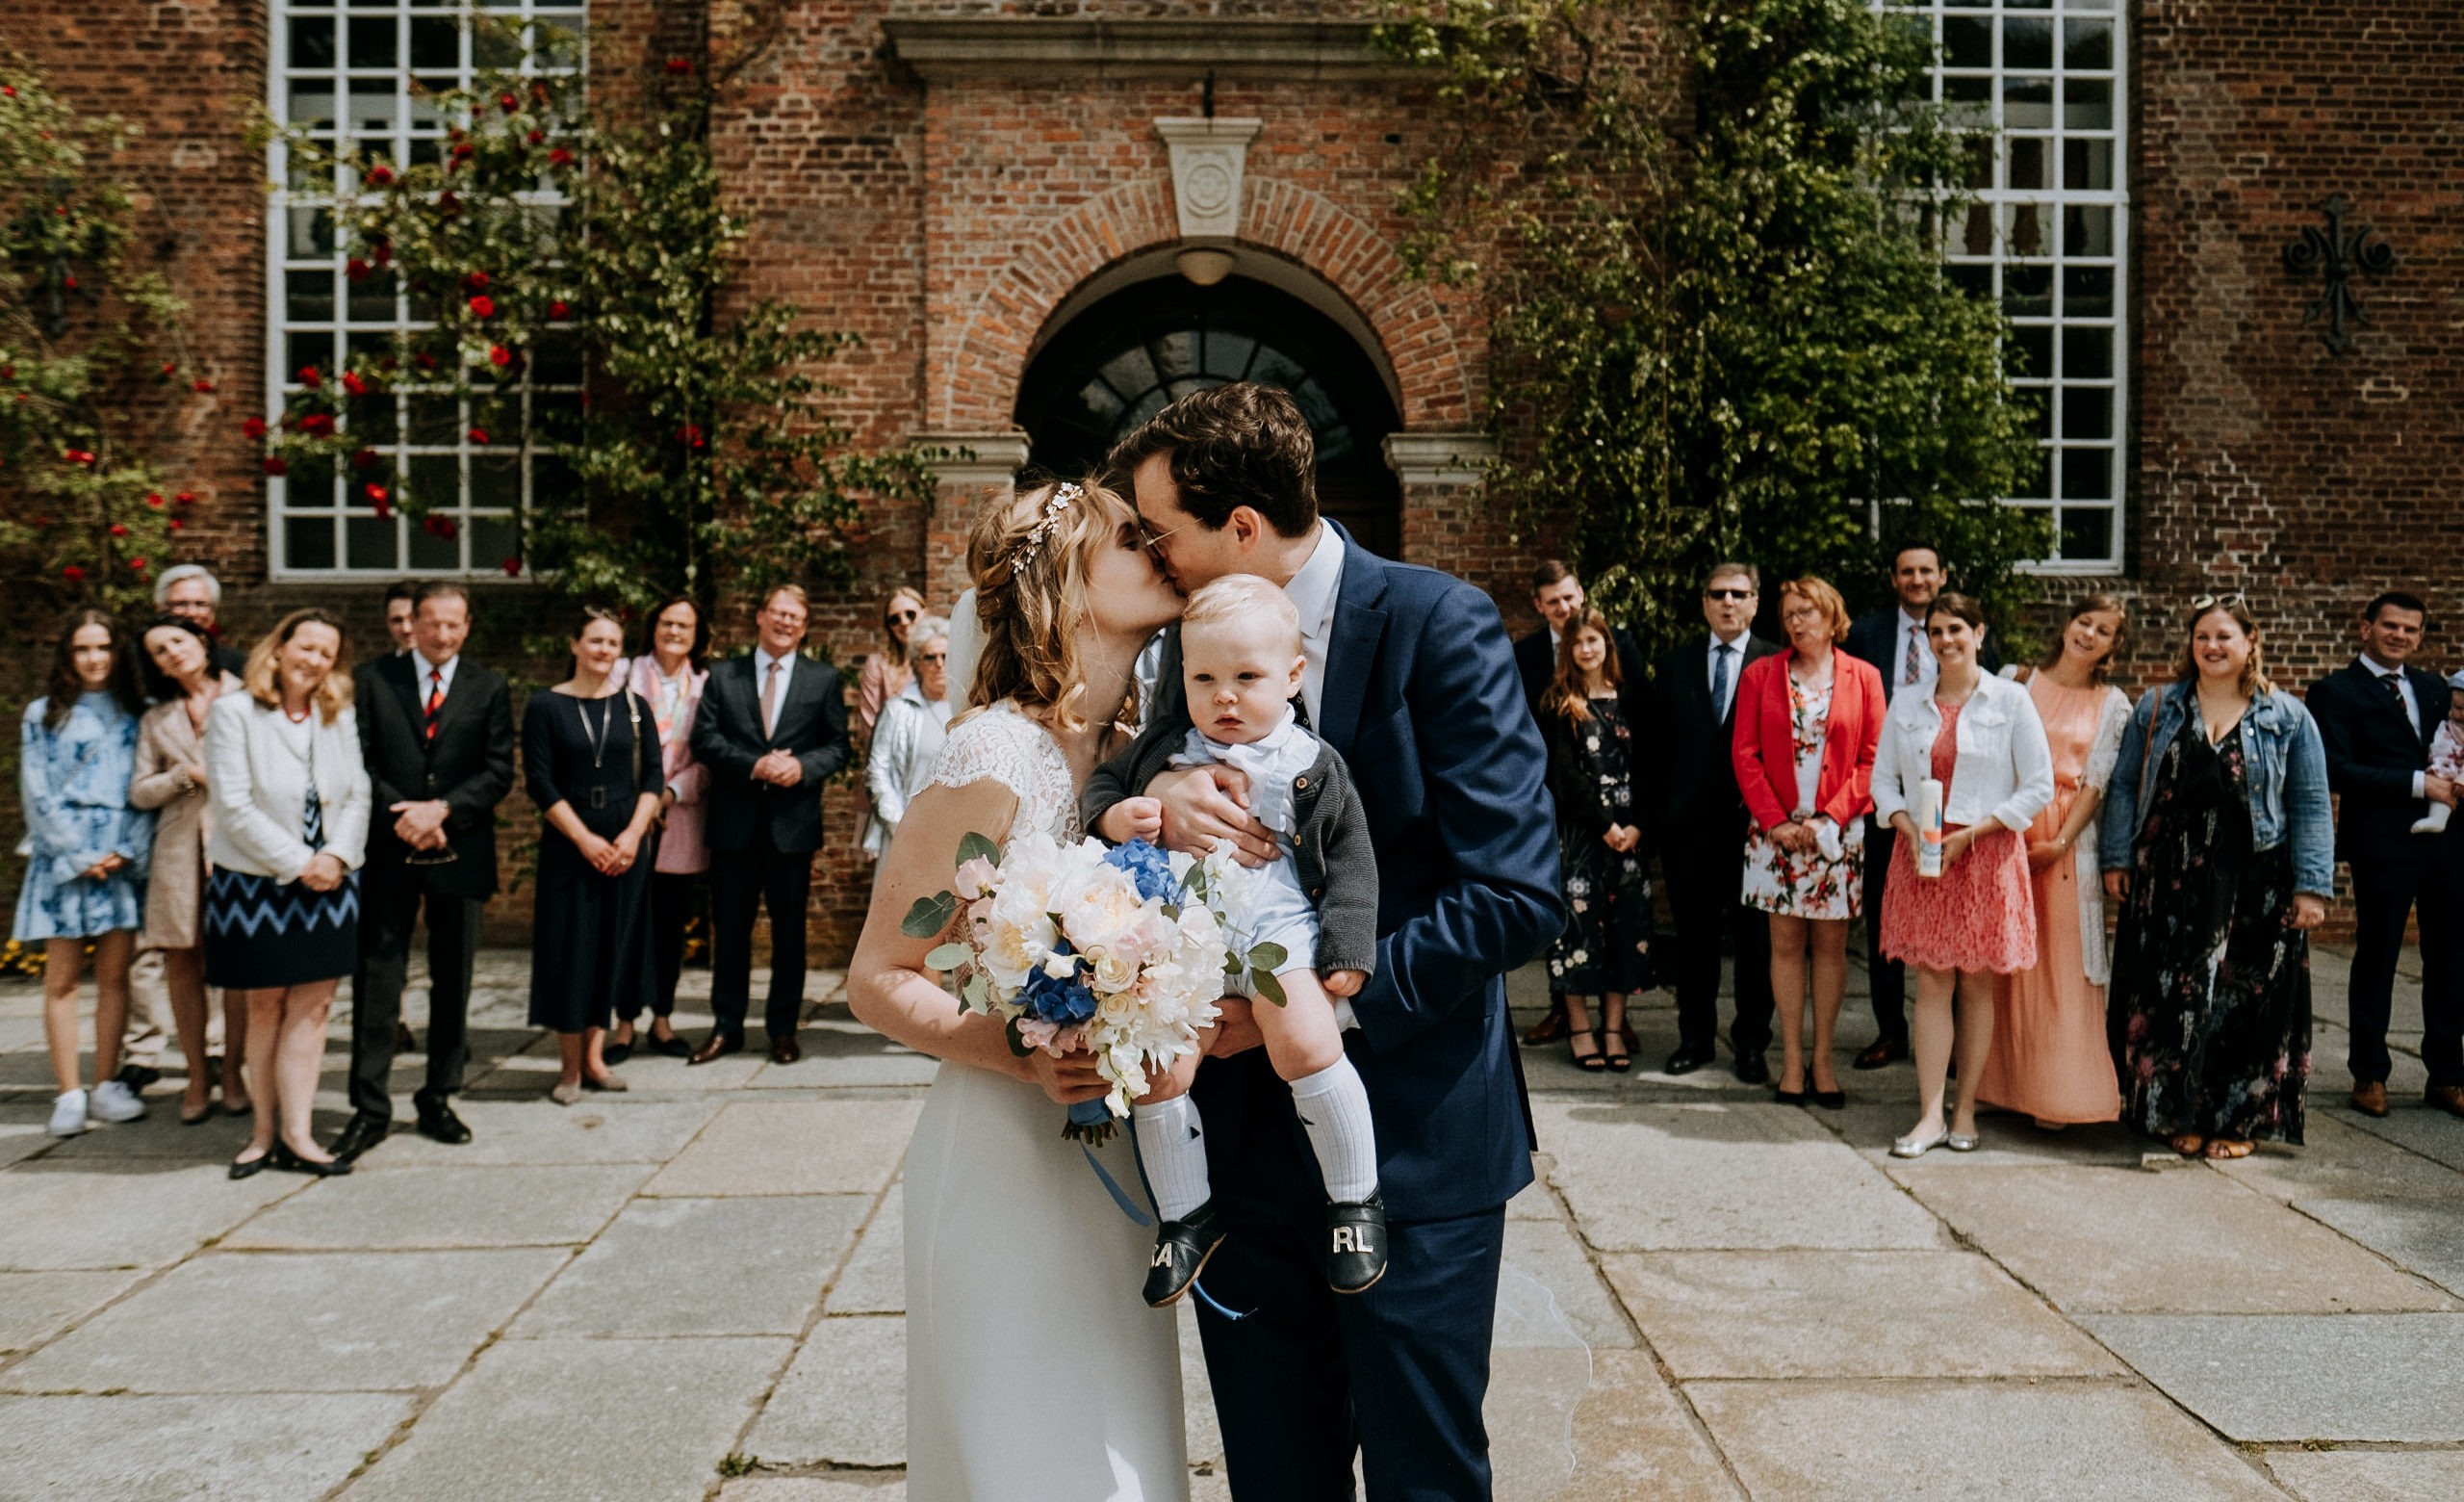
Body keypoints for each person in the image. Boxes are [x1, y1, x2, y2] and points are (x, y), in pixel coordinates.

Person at [1086, 383, 1563, 1502]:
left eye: (1164, 534)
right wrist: (1153, 791)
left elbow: (1513, 892)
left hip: (1413, 1143)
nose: (1154, 559)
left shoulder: (1437, 621)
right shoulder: (1183, 649)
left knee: (1423, 1476)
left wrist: (1309, 1011)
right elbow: (1134, 779)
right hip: (1244, 1163)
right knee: (1273, 1476)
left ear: (1241, 529)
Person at [848, 477, 1196, 1498]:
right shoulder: (993, 753)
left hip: (1111, 1155)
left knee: (1114, 1438)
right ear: (1066, 580)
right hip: (1004, 1153)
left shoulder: (1131, 759)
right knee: (1026, 1443)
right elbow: (877, 976)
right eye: (1132, 536)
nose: (1161, 546)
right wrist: (1024, 1054)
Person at [1097, 573, 1385, 1306]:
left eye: (1247, 678)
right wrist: (1120, 815)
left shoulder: (1310, 765)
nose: (1225, 697)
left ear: (1293, 676)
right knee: (1162, 1066)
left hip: (1278, 933)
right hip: (1186, 942)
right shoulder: (1166, 748)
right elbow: (1101, 790)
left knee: (1305, 1041)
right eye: (1205, 678)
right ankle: (1186, 1214)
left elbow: (1353, 857)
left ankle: (1354, 1200)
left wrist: (1349, 945)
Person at [2104, 596, 2333, 1157]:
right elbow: (2125, 784)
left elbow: (2309, 802)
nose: (2212, 646)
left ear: (2251, 642)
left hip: (2257, 880)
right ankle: (2177, 1111)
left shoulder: (2287, 715)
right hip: (2170, 880)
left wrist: (2312, 885)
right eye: (2202, 636)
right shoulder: (2158, 706)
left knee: (2245, 1002)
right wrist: (2118, 857)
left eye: (2225, 636)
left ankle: (2236, 1123)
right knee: (2171, 999)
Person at [329, 582, 515, 1166]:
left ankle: (439, 1095)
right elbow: (356, 760)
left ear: (467, 627)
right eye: (431, 623)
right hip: (389, 851)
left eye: (454, 625)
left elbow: (498, 770)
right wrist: (404, 814)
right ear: (414, 622)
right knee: (378, 980)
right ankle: (370, 1107)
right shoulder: (371, 680)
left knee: (453, 980)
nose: (442, 634)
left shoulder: (488, 687)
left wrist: (444, 812)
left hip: (459, 852)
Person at [1873, 594, 2054, 1156]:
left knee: (1976, 985)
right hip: (1922, 856)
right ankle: (1929, 1114)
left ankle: (1967, 1108)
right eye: (1935, 631)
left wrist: (1971, 834)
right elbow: (1882, 783)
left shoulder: (2012, 699)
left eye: (1956, 629)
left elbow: (2038, 785)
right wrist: (1907, 827)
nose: (1945, 640)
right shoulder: (1905, 702)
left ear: (1979, 632)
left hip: (1985, 852)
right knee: (1931, 982)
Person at [203, 609, 371, 1178]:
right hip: (255, 884)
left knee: (314, 1009)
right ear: (279, 649)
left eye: (327, 653)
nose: (315, 660)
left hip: (330, 880)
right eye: (307, 647)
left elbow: (358, 795)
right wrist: (302, 863)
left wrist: (336, 857)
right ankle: (262, 1135)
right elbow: (233, 805)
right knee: (264, 1007)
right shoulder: (233, 713)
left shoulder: (337, 714)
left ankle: (300, 1135)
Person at [2304, 593, 2464, 1121]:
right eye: (2390, 626)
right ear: (2366, 628)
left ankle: (2446, 1075)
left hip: (2444, 845)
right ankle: (2369, 1074)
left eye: (2411, 629)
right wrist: (2421, 784)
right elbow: (2336, 769)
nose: (2400, 636)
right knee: (2378, 956)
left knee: (2448, 959)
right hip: (2381, 843)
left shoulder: (2436, 687)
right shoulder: (2334, 692)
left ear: (2420, 637)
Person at [1976, 597, 2132, 1129]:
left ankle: (2060, 1092)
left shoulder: (2112, 703)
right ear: (2067, 625)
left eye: (2104, 631)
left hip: (2069, 842)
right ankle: (1998, 1084)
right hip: (2009, 825)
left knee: (2064, 965)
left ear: (2113, 646)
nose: (2090, 634)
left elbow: (2096, 783)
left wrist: (2060, 844)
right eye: (2085, 622)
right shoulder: (2015, 681)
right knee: (2003, 962)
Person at [1841, 544, 1998, 1069]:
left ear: (1942, 574)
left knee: (1956, 925)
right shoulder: (1864, 635)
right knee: (1888, 920)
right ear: (1894, 579)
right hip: (1893, 801)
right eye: (1907, 571)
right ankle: (1890, 1030)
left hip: (1959, 809)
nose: (1916, 579)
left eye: (1926, 570)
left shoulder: (1967, 636)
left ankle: (1950, 1041)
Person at [1733, 578, 1884, 1113]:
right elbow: (1745, 753)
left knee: (1831, 948)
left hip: (1836, 838)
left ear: (1832, 616)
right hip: (1775, 836)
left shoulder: (1864, 678)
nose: (1797, 622)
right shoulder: (1760, 674)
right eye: (1789, 614)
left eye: (1808, 612)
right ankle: (1792, 1060)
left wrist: (1828, 818)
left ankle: (1824, 1060)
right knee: (1784, 947)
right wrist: (1776, 821)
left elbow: (1872, 758)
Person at [688, 583, 851, 1066]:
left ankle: (782, 1029)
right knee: (731, 930)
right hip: (734, 825)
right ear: (760, 617)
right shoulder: (724, 676)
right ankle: (726, 1027)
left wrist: (802, 767)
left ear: (804, 626)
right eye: (778, 613)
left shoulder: (822, 679)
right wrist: (755, 764)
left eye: (795, 617)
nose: (785, 623)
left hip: (791, 827)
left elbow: (838, 746)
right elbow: (705, 739)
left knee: (789, 934)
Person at [16, 611, 154, 1137]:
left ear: (118, 653)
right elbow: (36, 791)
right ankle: (68, 1091)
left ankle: (105, 1085)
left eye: (104, 648)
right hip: (64, 858)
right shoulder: (43, 714)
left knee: (116, 977)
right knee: (63, 979)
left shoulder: (137, 712)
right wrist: (77, 854)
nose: (94, 659)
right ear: (67, 655)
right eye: (82, 649)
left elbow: (147, 787)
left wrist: (125, 848)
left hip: (120, 856)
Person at [1648, 562, 1781, 1081]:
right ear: (1703, 602)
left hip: (1755, 830)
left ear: (1754, 602)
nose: (1728, 602)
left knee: (1755, 945)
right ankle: (1695, 1040)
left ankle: (1751, 1044)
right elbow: (1658, 750)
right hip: (1689, 833)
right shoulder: (1675, 664)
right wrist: (1661, 818)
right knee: (1694, 943)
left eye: (1739, 594)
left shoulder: (1775, 663)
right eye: (1717, 593)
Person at [525, 609, 661, 1103]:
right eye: (595, 640)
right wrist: (584, 839)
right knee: (569, 950)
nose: (604, 650)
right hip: (570, 840)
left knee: (612, 946)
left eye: (613, 642)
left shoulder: (634, 705)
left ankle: (597, 1058)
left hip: (626, 839)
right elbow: (539, 781)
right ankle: (569, 1070)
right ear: (575, 645)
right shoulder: (546, 706)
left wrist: (631, 836)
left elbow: (653, 777)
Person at [1512, 559, 1644, 1049]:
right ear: (1538, 606)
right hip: (1552, 803)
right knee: (1566, 913)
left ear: (1581, 593)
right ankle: (1563, 1011)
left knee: (1617, 915)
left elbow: (1641, 730)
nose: (1564, 608)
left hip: (1615, 807)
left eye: (1570, 597)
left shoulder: (1618, 644)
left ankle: (1616, 1019)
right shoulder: (1526, 655)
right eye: (1553, 602)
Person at [130, 615, 250, 1125]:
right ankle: (197, 1075)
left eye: (177, 642)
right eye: (159, 651)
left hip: (240, 847)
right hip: (180, 853)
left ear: (202, 640)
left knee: (241, 967)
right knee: (184, 963)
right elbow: (139, 790)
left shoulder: (249, 696)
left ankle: (236, 1073)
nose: (172, 654)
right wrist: (183, 775)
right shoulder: (156, 720)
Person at [1534, 607, 1651, 1072]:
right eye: (1578, 642)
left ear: (1607, 645)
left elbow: (1651, 767)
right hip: (1583, 834)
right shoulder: (1560, 702)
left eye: (1594, 641)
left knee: (1626, 929)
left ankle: (1613, 1028)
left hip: (1630, 835)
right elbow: (1563, 776)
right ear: (1569, 650)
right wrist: (1605, 824)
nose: (1587, 649)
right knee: (1577, 932)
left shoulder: (1633, 699)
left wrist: (1636, 824)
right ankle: (1581, 1030)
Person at [616, 594, 710, 1063]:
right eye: (667, 623)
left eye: (684, 626)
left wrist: (669, 794)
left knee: (670, 928)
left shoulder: (704, 685)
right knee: (627, 924)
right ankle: (623, 1023)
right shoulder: (623, 674)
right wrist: (641, 800)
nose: (674, 632)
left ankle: (663, 1019)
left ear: (696, 636)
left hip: (678, 819)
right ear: (653, 628)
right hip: (627, 818)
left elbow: (705, 757)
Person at [861, 613, 953, 888]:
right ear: (917, 662)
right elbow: (877, 772)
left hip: (956, 830)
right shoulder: (898, 710)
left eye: (946, 656)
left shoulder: (970, 708)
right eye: (930, 657)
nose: (939, 664)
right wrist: (900, 826)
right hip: (907, 832)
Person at [155, 563, 250, 676]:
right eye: (180, 604)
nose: (191, 613)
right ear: (161, 609)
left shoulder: (239, 664)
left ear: (212, 613)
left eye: (201, 604)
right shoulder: (140, 663)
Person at [856, 585, 926, 738]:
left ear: (925, 613)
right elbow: (870, 724)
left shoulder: (946, 657)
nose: (904, 622)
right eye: (895, 619)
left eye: (910, 614)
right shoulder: (877, 664)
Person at [380, 580, 420, 658]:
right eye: (397, 620)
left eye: (414, 619)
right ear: (387, 623)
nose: (406, 629)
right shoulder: (371, 669)